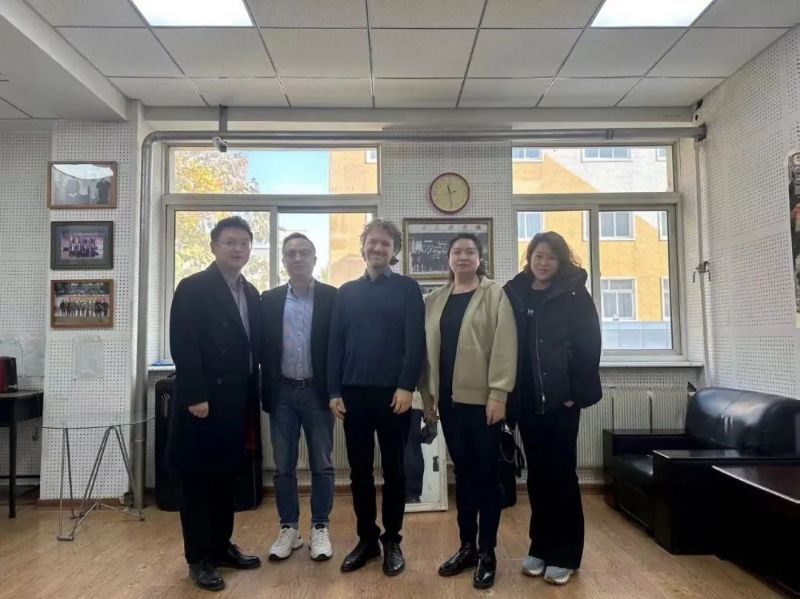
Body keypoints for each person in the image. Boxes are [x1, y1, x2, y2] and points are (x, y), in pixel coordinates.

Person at [168, 216, 263, 592]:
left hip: (237, 400)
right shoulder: (193, 287)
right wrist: (196, 396)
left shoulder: (250, 291)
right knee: (198, 481)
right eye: (230, 242)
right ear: (213, 247)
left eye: (244, 243)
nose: (238, 249)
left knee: (226, 477)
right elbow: (183, 344)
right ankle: (199, 558)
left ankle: (222, 546)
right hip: (204, 401)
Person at [328, 218, 425, 577]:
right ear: (363, 246)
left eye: (386, 243)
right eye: (373, 242)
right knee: (359, 472)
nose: (378, 248)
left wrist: (407, 386)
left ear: (394, 250)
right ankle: (367, 538)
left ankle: (393, 541)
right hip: (353, 395)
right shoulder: (346, 292)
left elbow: (415, 343)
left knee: (395, 471)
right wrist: (334, 391)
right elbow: (335, 345)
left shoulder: (407, 289)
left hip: (393, 395)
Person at [503, 231, 602, 586]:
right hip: (527, 401)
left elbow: (590, 344)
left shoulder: (574, 293)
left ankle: (566, 553)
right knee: (538, 477)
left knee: (561, 476)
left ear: (561, 261)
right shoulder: (516, 292)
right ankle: (541, 546)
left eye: (550, 257)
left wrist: (574, 393)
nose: (543, 263)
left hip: (561, 401)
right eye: (538, 256)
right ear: (529, 259)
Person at [419, 233, 517, 589]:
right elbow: (426, 352)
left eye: (470, 251)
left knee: (487, 478)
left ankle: (488, 552)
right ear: (448, 258)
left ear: (479, 257)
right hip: (448, 403)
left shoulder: (495, 294)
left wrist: (499, 394)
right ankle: (467, 547)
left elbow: (505, 346)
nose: (463, 256)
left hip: (484, 404)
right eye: (457, 251)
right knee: (463, 476)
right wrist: (427, 399)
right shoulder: (435, 300)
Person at [259, 233, 337, 562]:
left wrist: (336, 392)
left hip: (318, 393)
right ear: (283, 260)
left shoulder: (332, 297)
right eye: (291, 253)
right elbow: (261, 347)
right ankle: (289, 528)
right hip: (282, 393)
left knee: (323, 465)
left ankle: (320, 526)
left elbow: (338, 348)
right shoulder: (269, 299)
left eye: (304, 253)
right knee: (283, 468)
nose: (298, 258)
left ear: (315, 259)